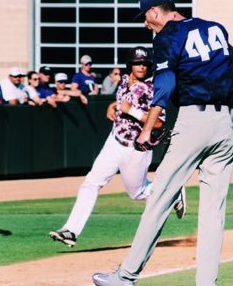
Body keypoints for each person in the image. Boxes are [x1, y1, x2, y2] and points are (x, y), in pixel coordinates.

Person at [92, 0, 233, 286]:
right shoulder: (215, 28)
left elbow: (163, 85)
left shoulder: (168, 36)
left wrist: (148, 127)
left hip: (193, 120)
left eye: (146, 17)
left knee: (160, 197)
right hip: (224, 126)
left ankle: (127, 277)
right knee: (213, 215)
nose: (146, 25)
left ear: (157, 12)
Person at [49, 46, 186, 247]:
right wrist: (112, 106)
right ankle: (71, 230)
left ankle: (173, 190)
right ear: (130, 64)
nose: (142, 66)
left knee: (137, 193)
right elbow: (121, 102)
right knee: (91, 182)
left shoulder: (152, 88)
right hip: (114, 141)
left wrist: (132, 111)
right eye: (138, 63)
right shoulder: (123, 80)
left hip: (136, 148)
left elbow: (158, 123)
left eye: (145, 63)